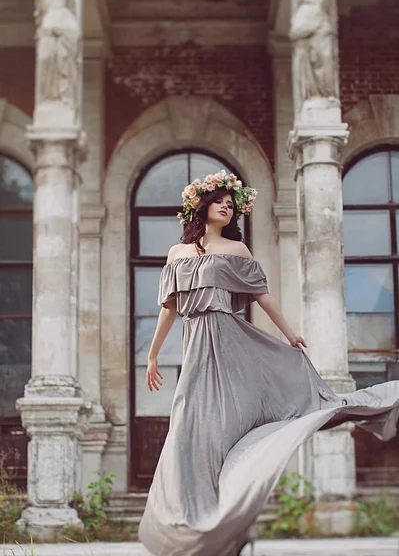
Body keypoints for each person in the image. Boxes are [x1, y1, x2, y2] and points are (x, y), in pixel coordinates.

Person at [138, 169, 399, 556]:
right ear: (202, 206)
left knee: (227, 428)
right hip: (195, 349)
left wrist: (289, 333)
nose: (226, 208)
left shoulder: (237, 251)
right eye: (220, 202)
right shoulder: (177, 255)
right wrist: (153, 353)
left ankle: (228, 522)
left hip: (231, 344)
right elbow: (170, 308)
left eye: (231, 205)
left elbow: (263, 296)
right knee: (189, 429)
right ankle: (195, 527)